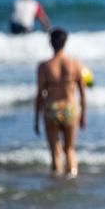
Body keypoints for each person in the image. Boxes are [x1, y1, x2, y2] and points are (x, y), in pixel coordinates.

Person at [34, 28, 86, 176]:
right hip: (70, 107)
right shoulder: (75, 63)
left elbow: (39, 95)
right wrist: (83, 114)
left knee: (55, 151)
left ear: (50, 43)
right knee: (70, 149)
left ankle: (56, 181)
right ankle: (72, 177)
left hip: (51, 108)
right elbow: (82, 93)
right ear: (65, 42)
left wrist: (36, 119)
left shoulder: (44, 66)